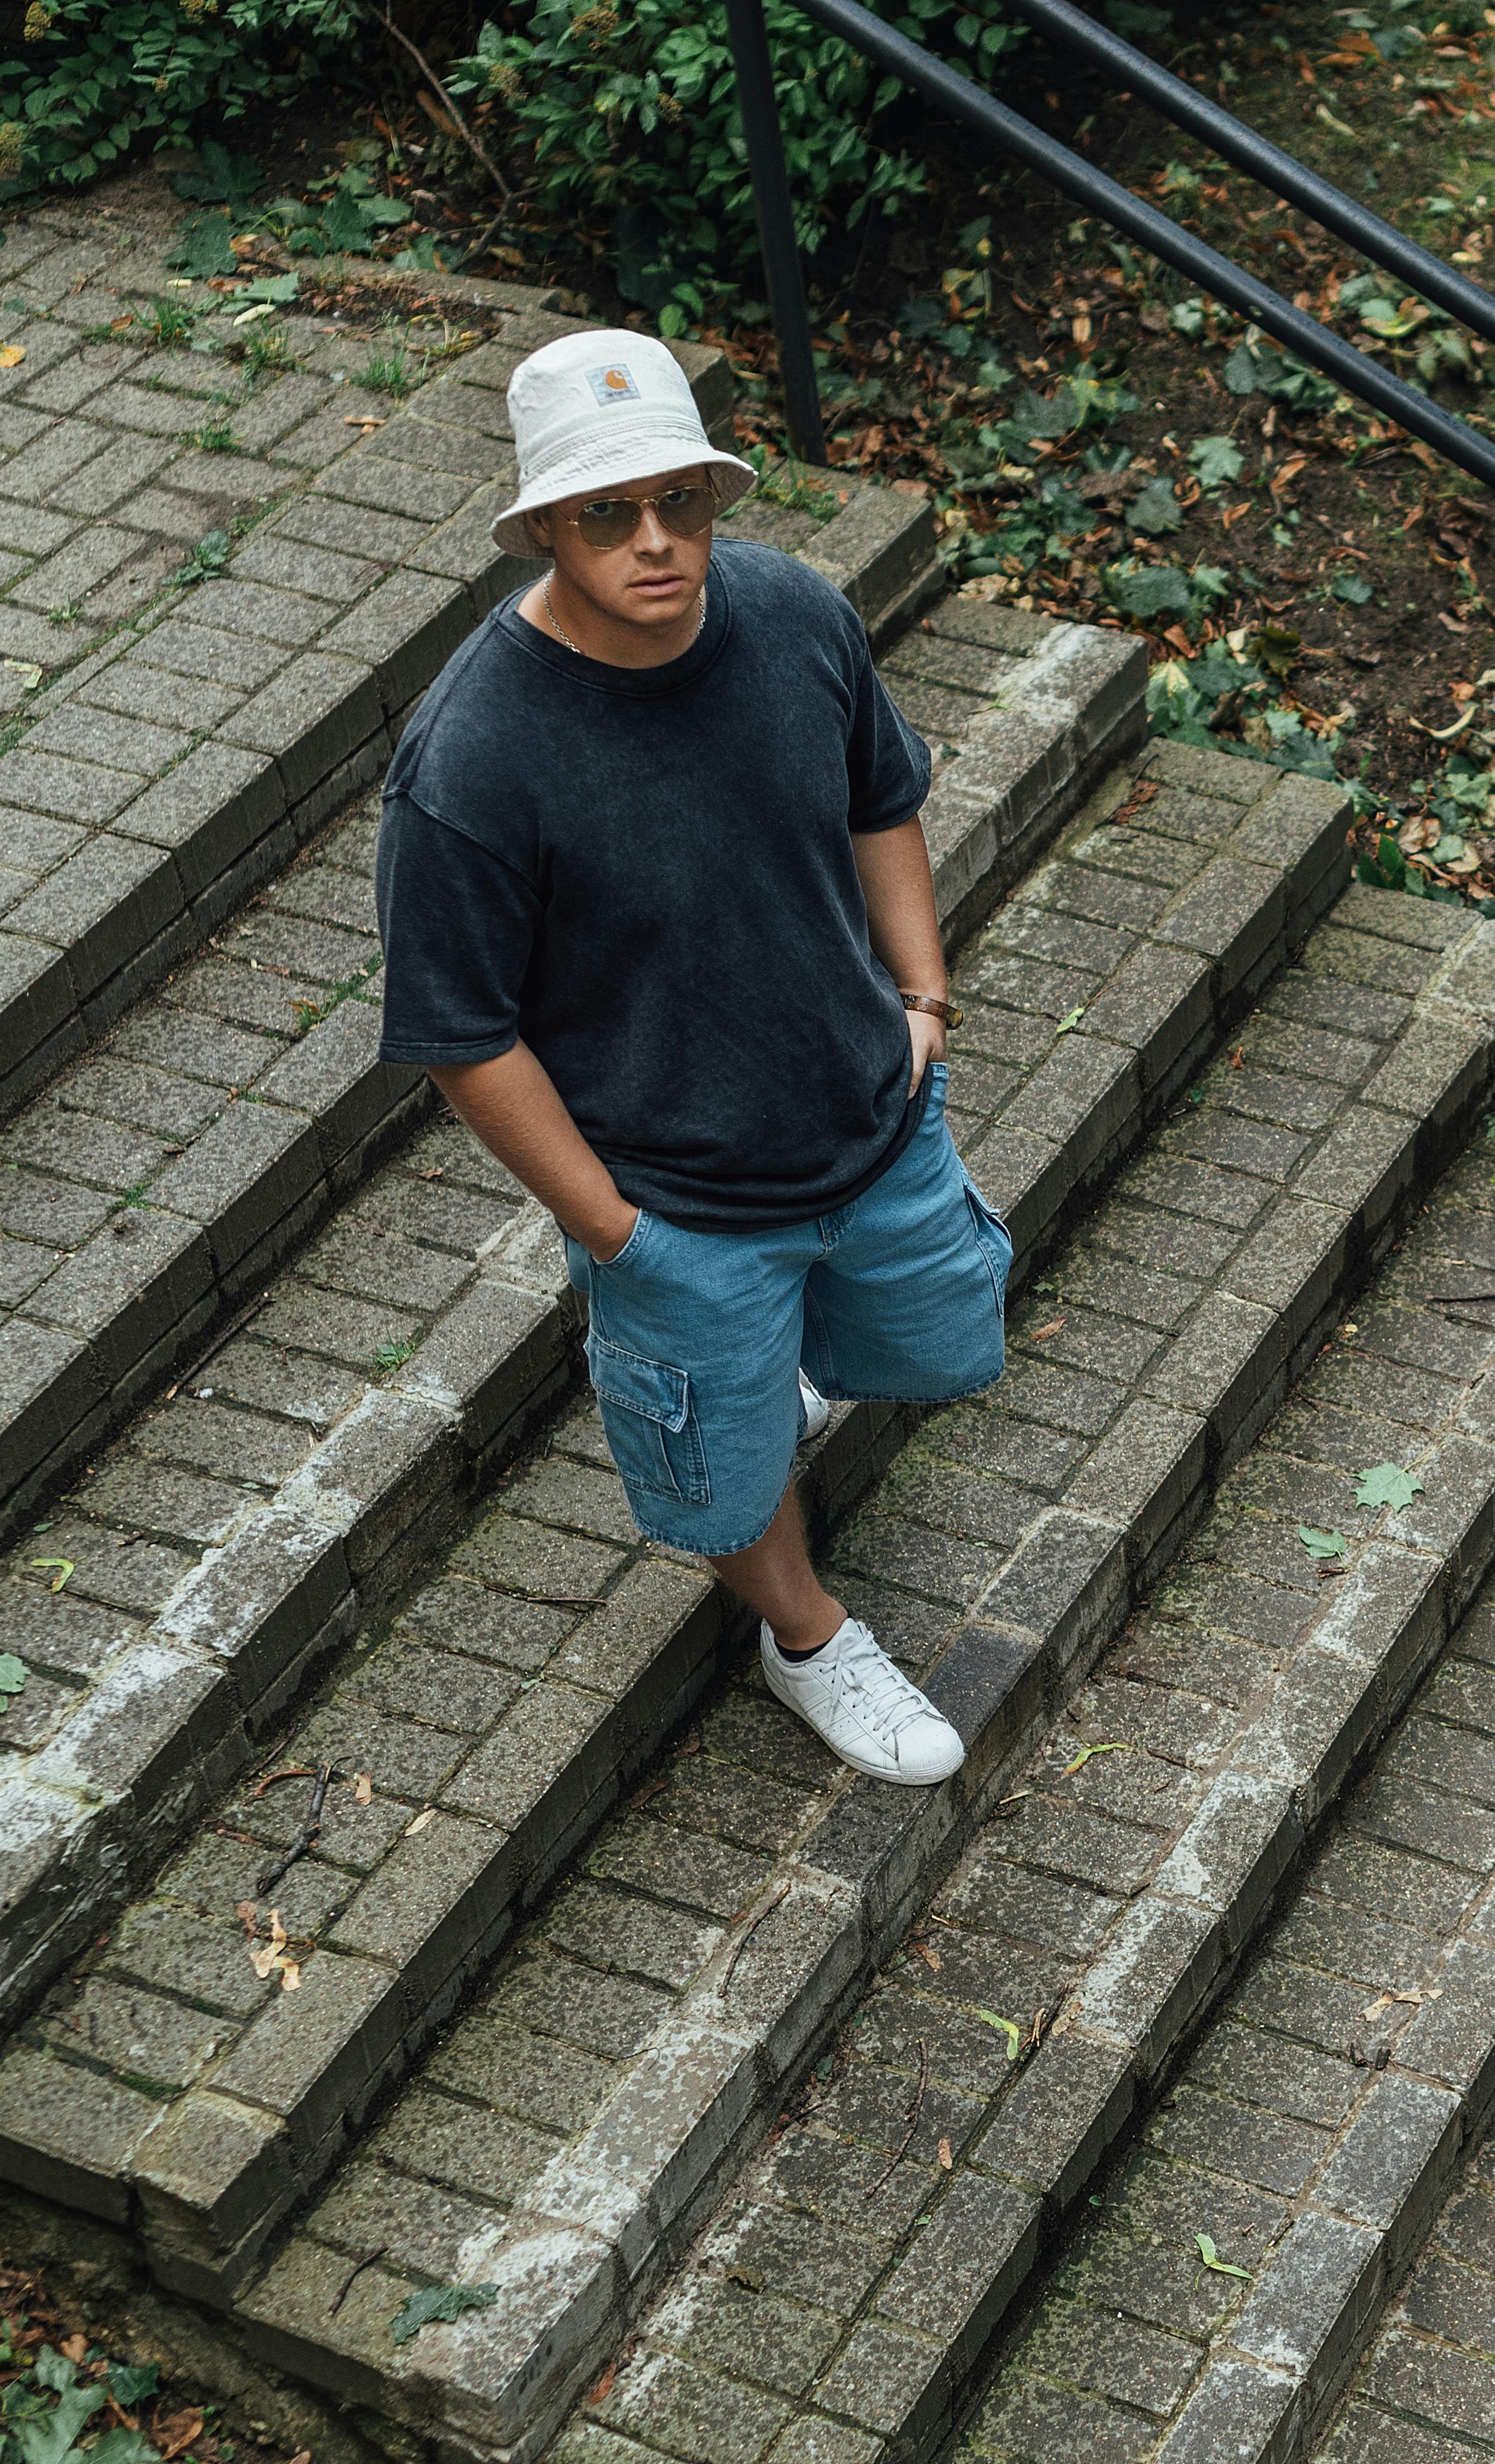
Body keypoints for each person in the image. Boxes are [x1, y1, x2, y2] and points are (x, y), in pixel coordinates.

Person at [371, 329, 1002, 1787]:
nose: (656, 543)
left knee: (941, 1341)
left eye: (682, 501)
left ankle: (761, 1373)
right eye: (608, 514)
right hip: (679, 1205)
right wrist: (617, 1235)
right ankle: (805, 1636)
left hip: (870, 1114)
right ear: (540, 524)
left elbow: (880, 790)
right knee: (719, 1490)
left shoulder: (787, 610)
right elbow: (463, 1037)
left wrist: (923, 995)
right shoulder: (471, 762)